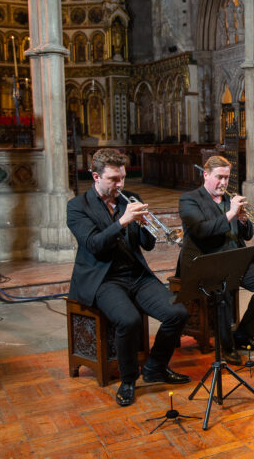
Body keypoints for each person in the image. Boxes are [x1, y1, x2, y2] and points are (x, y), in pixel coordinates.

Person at [67, 149, 190, 408]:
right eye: (113, 179)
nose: (120, 185)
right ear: (96, 176)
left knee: (177, 313)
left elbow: (146, 246)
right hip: (103, 279)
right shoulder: (78, 206)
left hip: (135, 274)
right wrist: (122, 221)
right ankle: (128, 380)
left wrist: (146, 225)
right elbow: (93, 245)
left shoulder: (130, 198)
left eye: (122, 178)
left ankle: (155, 367)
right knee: (128, 320)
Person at [178, 155, 254, 365]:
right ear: (206, 175)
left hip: (235, 257)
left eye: (226, 178)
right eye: (219, 177)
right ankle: (227, 346)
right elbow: (201, 230)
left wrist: (242, 220)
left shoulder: (227, 200)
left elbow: (247, 235)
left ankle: (242, 335)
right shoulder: (190, 200)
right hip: (206, 260)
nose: (223, 183)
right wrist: (231, 213)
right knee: (223, 293)